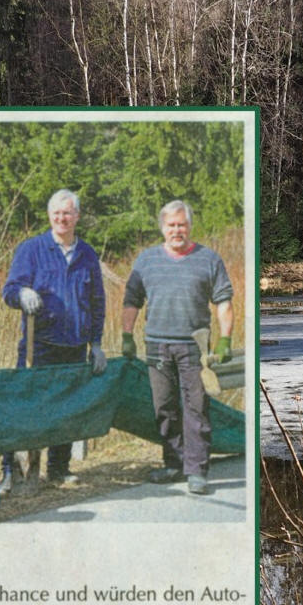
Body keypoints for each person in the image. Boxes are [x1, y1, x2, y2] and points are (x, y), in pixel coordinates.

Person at [121, 200, 234, 496]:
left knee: (196, 408)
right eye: (171, 225)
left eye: (181, 224)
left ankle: (197, 471)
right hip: (157, 346)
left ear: (190, 226)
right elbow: (132, 300)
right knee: (164, 407)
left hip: (194, 347)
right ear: (162, 228)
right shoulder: (146, 261)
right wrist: (127, 336)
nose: (176, 230)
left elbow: (223, 301)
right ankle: (173, 463)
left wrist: (224, 339)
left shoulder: (208, 259)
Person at [1, 189, 107, 487]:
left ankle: (59, 469)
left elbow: (97, 302)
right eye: (57, 213)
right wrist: (22, 293)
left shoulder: (87, 254)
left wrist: (96, 344)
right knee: (25, 406)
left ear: (77, 217)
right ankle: (12, 470)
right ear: (50, 216)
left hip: (74, 347)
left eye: (68, 213)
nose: (62, 218)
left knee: (66, 410)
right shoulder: (32, 250)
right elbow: (8, 291)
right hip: (39, 347)